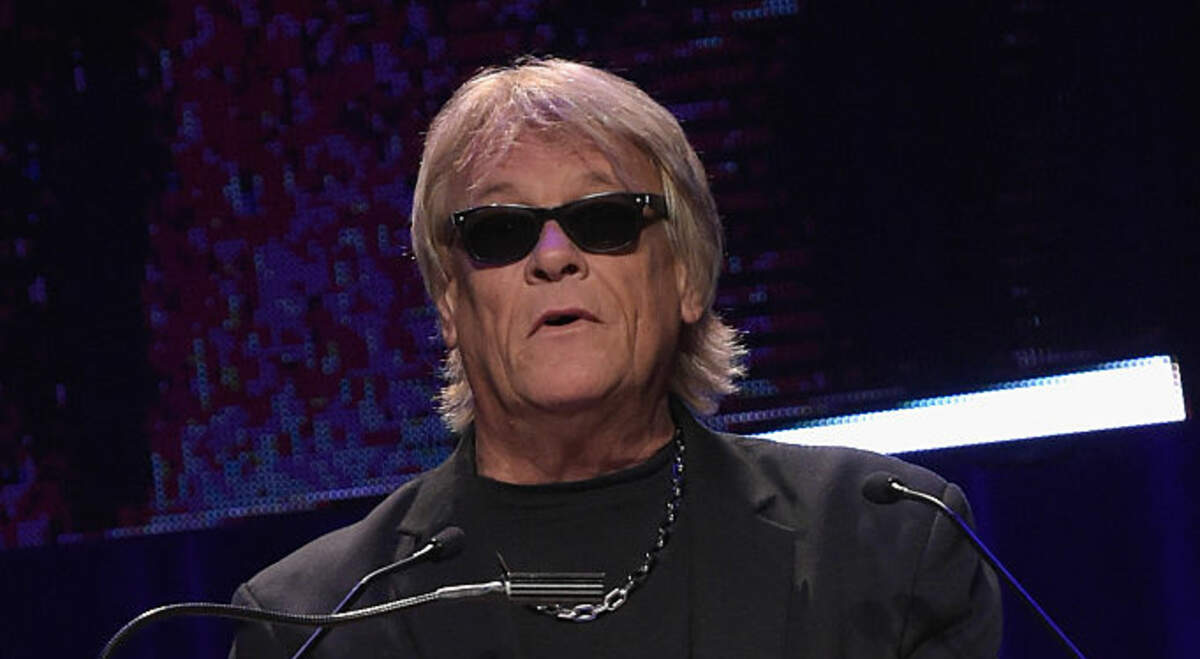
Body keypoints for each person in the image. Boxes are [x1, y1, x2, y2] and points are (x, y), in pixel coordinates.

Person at [230, 57, 1002, 658]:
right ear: (450, 303)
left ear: (688, 275)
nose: (553, 257)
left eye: (604, 220)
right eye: (500, 231)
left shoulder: (887, 546)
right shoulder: (312, 624)